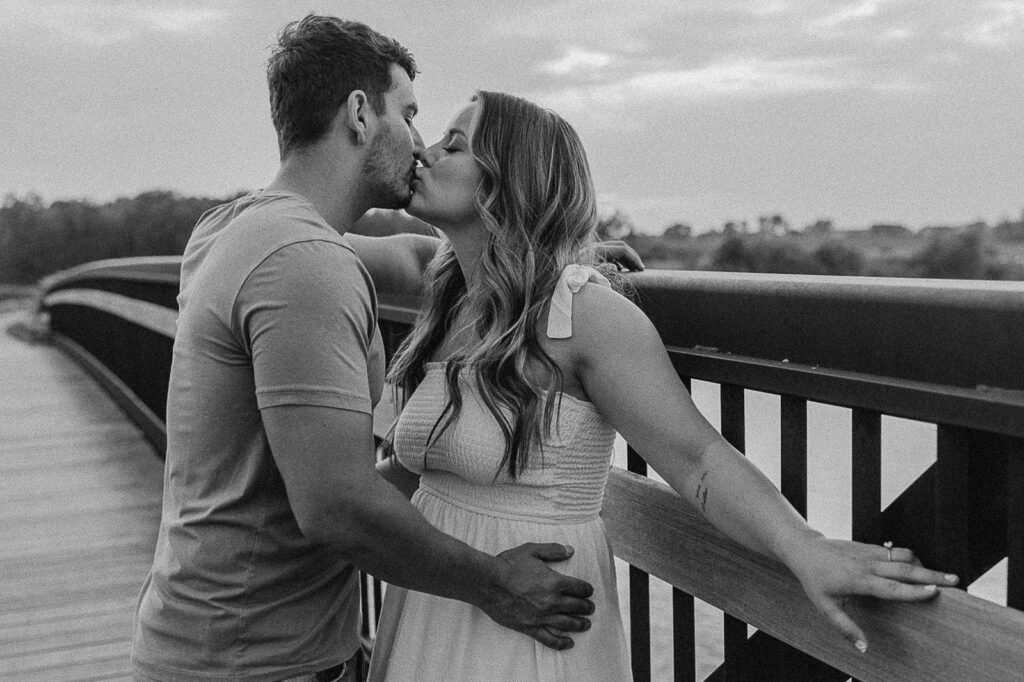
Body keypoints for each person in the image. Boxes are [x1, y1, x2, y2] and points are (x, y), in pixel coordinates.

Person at [365, 91, 960, 681]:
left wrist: (804, 547)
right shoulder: (448, 295)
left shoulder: (585, 315)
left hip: (528, 628)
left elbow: (698, 458)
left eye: (456, 143)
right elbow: (295, 235)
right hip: (434, 606)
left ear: (510, 182)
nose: (425, 150)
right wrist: (313, 506)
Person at [131, 17, 600, 682]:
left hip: (208, 637)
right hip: (258, 661)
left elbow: (418, 258)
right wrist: (497, 584)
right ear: (359, 113)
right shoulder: (304, 263)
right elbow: (338, 507)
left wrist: (554, 248)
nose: (418, 143)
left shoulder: (238, 228)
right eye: (409, 114)